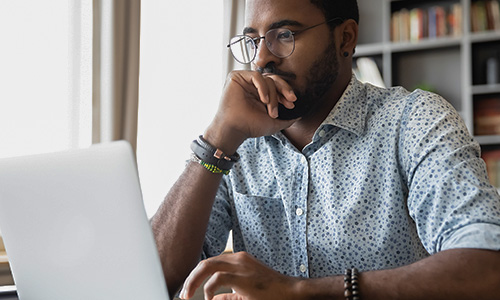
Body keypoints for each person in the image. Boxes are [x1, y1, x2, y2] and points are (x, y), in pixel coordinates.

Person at [151, 0, 500, 299]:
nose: (260, 60)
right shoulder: (237, 141)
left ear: (345, 38)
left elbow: (487, 267)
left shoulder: (413, 122)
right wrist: (216, 141)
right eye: (252, 41)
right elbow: (151, 278)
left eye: (284, 35)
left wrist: (300, 292)